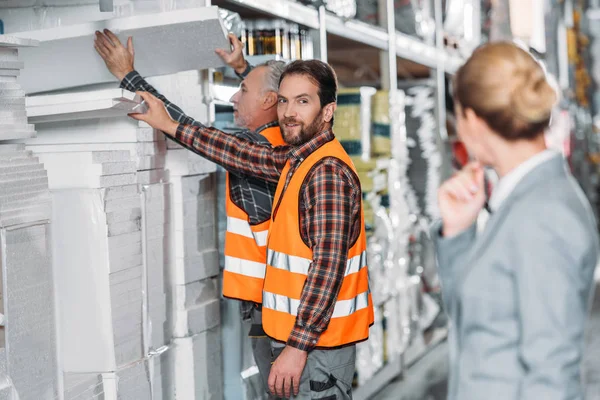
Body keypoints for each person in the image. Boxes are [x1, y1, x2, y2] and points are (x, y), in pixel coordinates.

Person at [127, 59, 374, 399]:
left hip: (316, 349)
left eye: (303, 101)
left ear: (328, 110)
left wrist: (297, 347)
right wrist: (169, 124)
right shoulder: (295, 161)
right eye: (284, 100)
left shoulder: (326, 173)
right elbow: (235, 151)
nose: (288, 112)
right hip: (297, 340)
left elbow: (327, 268)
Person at [93, 30, 286, 393]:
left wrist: (128, 76)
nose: (234, 95)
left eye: (243, 90)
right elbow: (275, 90)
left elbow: (186, 126)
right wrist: (244, 67)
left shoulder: (255, 148)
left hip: (277, 313)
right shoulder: (289, 142)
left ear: (270, 100)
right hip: (279, 307)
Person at [434, 41, 599, 400]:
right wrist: (458, 232)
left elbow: (552, 376)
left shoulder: (544, 216)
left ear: (473, 121)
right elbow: (481, 321)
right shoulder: (522, 199)